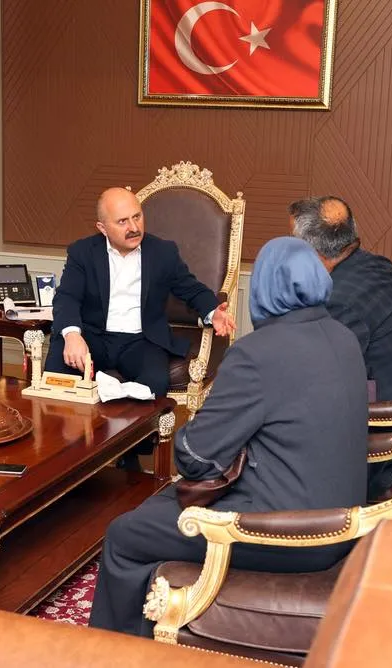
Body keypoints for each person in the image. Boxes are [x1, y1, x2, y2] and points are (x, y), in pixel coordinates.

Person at [88, 237, 369, 637]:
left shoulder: (258, 353)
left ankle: (112, 652)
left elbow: (194, 456)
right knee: (160, 510)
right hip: (341, 521)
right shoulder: (343, 336)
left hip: (285, 530)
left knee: (124, 533)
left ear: (264, 288)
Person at [48, 186, 235, 467]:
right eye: (122, 221)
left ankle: (130, 452)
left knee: (154, 381)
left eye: (137, 217)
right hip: (94, 337)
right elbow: (67, 297)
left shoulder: (162, 252)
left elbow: (191, 289)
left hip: (141, 340)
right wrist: (73, 335)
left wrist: (212, 312)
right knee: (58, 363)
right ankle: (65, 452)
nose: (134, 227)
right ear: (102, 228)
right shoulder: (82, 252)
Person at [289, 196, 392, 497]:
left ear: (310, 252)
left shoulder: (338, 300)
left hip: (386, 440)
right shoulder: (379, 266)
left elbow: (316, 382)